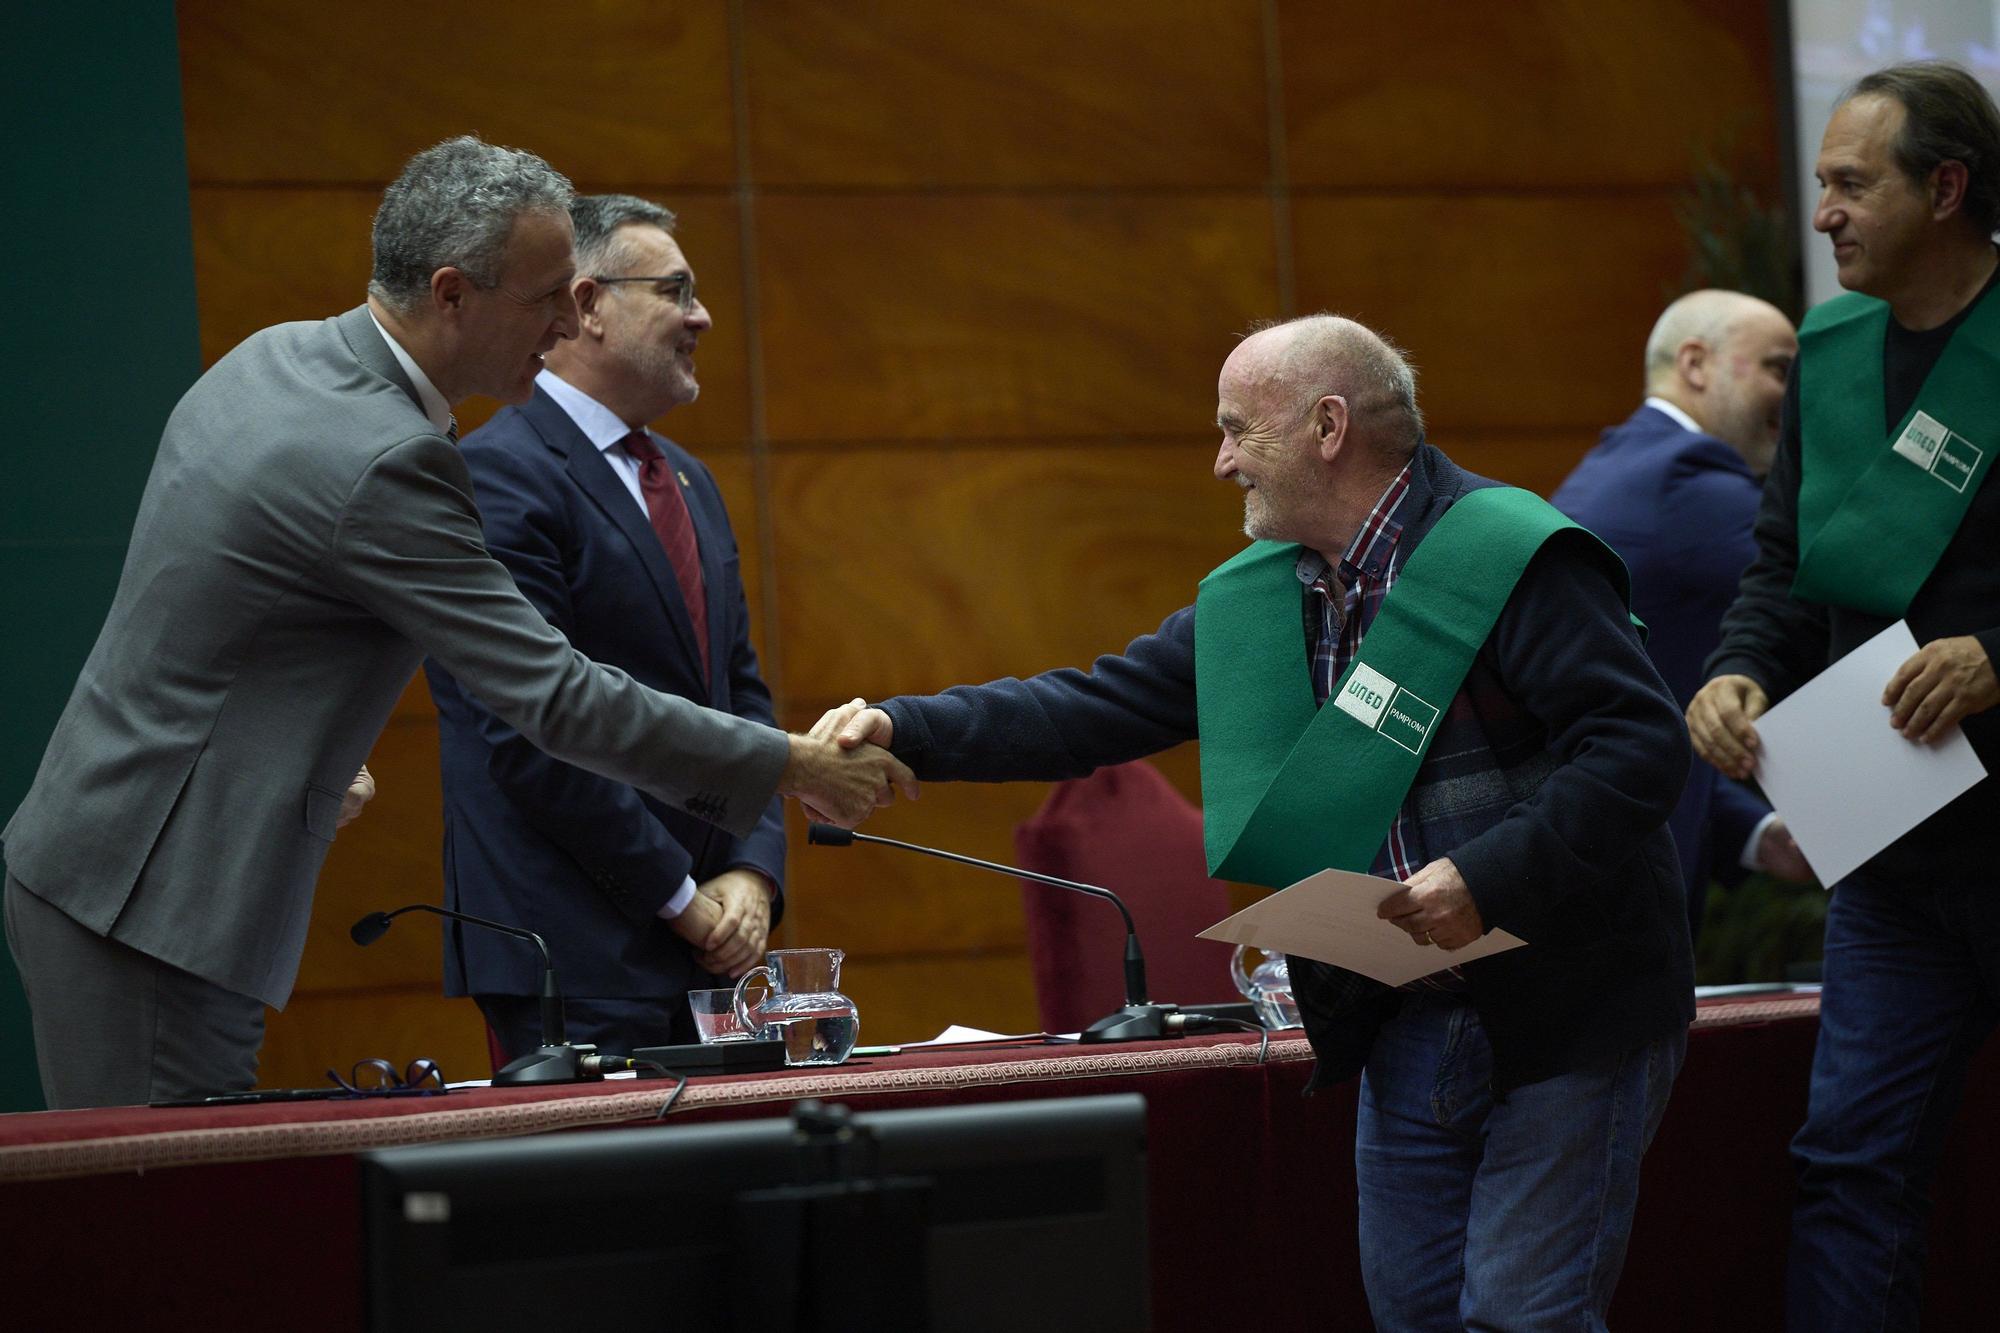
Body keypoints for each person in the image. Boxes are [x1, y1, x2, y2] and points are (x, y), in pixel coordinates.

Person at [817, 315, 1693, 1331]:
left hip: (1569, 1005)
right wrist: (903, 728)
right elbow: (1089, 707)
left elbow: (1639, 751)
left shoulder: (1511, 555)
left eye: (1238, 429)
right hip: (1402, 1008)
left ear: (1328, 426)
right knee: (1410, 1315)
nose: (1220, 459)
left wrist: (1486, 874)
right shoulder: (1268, 593)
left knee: (1517, 1319)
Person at [0, 137, 912, 1110]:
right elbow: (555, 699)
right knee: (160, 1227)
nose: (571, 319)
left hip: (110, 852)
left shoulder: (282, 357)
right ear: (450, 295)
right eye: (546, 297)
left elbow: (215, 609)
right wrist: (793, 763)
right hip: (155, 894)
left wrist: (288, 754)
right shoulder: (382, 456)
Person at [1687, 61, 2000, 1332]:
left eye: (1848, 184)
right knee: (1846, 1166)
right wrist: (1734, 668)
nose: (1820, 212)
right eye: (1818, 184)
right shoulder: (1828, 352)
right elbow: (1781, 566)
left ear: (1945, 185)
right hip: (1896, 843)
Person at [425, 194, 782, 1059]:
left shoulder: (689, 479)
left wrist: (750, 870)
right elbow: (527, 731)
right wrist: (680, 898)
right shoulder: (492, 477)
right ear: (586, 305)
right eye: (674, 289)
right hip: (573, 956)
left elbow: (739, 694)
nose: (701, 315)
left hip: (712, 957)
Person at [1551, 289, 1811, 937]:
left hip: (1582, 868)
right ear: (1696, 364)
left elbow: (1644, 704)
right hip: (1617, 903)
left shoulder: (1614, 467)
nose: (1797, 396)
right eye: (1781, 369)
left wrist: (1759, 831)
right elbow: (1841, 602)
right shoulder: (1689, 483)